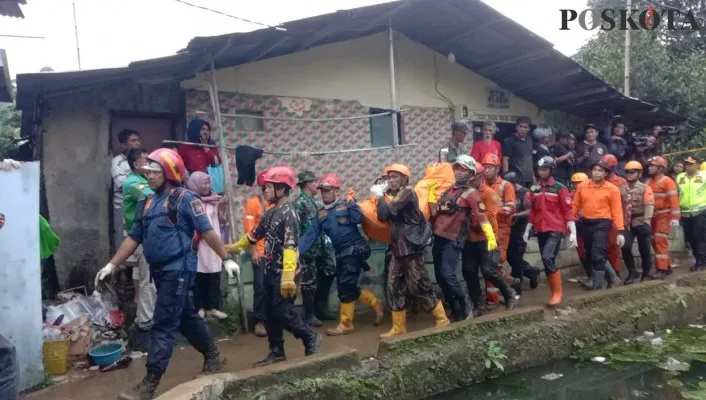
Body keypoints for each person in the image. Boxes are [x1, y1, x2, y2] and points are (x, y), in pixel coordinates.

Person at [95, 148, 237, 399]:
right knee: (184, 316)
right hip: (159, 272)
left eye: (154, 171)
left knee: (163, 322)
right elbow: (134, 237)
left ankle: (150, 382)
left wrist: (226, 259)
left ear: (170, 173)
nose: (148, 175)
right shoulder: (146, 202)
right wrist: (112, 264)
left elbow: (207, 231)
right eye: (147, 171)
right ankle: (213, 355)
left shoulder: (186, 199)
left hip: (179, 269)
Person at [226, 166, 322, 367]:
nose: (264, 191)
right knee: (269, 313)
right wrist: (231, 248)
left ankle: (310, 337)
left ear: (282, 189)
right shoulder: (271, 214)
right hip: (270, 269)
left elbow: (289, 246)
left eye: (268, 187)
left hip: (285, 272)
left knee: (283, 312)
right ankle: (276, 351)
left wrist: (288, 277)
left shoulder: (290, 214)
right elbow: (253, 236)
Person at [299, 174, 382, 335]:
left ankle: (346, 324)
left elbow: (358, 219)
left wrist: (352, 204)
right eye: (322, 190)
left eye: (327, 190)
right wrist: (295, 252)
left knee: (345, 285)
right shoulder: (321, 213)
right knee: (348, 286)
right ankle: (374, 302)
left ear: (336, 191)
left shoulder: (346, 205)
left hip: (354, 250)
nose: (324, 193)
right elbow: (310, 234)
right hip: (340, 254)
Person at [377, 164, 449, 338]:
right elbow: (381, 215)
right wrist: (382, 196)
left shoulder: (407, 192)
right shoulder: (394, 196)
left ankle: (441, 319)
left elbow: (388, 210)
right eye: (389, 177)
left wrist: (379, 194)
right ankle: (398, 326)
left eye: (395, 177)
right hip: (398, 249)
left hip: (411, 248)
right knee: (393, 286)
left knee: (418, 285)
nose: (391, 180)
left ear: (404, 179)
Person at [429, 154, 482, 321]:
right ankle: (455, 309)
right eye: (457, 168)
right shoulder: (448, 191)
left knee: (448, 274)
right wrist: (431, 197)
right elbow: (434, 212)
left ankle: (466, 306)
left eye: (463, 169)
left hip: (453, 239)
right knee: (440, 277)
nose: (459, 172)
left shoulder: (471, 193)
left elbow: (481, 216)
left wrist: (490, 236)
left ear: (471, 174)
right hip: (438, 236)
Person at [463, 162, 517, 315]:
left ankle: (509, 293)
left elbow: (491, 216)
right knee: (469, 271)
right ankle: (478, 305)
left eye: (472, 176)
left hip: (487, 237)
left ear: (479, 177)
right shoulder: (465, 192)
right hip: (469, 238)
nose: (469, 179)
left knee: (488, 269)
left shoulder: (488, 193)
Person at [523, 156, 576, 307]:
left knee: (547, 257)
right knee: (548, 262)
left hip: (556, 228)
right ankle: (554, 292)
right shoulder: (535, 188)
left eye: (544, 169)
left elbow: (568, 211)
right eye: (539, 169)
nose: (541, 172)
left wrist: (573, 232)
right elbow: (533, 210)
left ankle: (558, 293)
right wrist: (527, 229)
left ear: (551, 170)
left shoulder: (560, 188)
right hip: (540, 228)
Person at [572, 158, 625, 290]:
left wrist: (620, 231)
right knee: (589, 253)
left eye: (600, 170)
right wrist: (571, 225)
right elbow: (575, 206)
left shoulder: (612, 189)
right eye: (594, 170)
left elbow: (617, 211)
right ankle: (612, 278)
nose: (596, 173)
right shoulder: (582, 186)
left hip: (602, 223)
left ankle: (597, 286)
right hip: (586, 222)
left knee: (598, 253)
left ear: (606, 173)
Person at [122, 148, 157, 347]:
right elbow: (154, 195)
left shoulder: (140, 180)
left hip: (148, 236)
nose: (151, 166)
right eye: (147, 161)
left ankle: (145, 319)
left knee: (146, 277)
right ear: (137, 164)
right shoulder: (134, 183)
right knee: (147, 280)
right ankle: (145, 323)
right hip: (140, 237)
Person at [294, 171, 337, 328]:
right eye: (314, 182)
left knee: (328, 273)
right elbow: (296, 228)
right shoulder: (299, 204)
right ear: (308, 184)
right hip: (307, 250)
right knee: (308, 283)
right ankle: (309, 315)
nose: (316, 186)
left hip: (321, 248)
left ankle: (321, 309)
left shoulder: (315, 202)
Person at [187, 172, 229, 320]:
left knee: (214, 275)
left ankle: (211, 307)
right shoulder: (190, 201)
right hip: (197, 244)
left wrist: (222, 207)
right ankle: (200, 307)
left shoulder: (214, 200)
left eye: (208, 183)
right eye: (203, 183)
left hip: (213, 243)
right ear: (195, 184)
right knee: (199, 276)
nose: (207, 186)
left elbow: (222, 221)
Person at [243, 170, 273, 337]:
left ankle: (273, 320)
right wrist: (253, 251)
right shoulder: (253, 203)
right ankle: (259, 321)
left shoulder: (277, 205)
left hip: (275, 254)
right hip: (260, 253)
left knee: (274, 288)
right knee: (260, 287)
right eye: (268, 186)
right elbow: (248, 230)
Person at [482, 153, 515, 304]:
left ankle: (498, 295)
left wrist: (493, 210)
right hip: (484, 229)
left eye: (490, 167)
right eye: (485, 167)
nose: (486, 170)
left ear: (497, 169)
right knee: (489, 264)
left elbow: (510, 208)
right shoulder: (480, 185)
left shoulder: (506, 186)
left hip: (501, 228)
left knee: (496, 261)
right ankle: (499, 292)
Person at [503, 171, 540, 295]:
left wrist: (515, 215)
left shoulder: (524, 193)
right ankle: (531, 272)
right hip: (509, 229)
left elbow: (530, 211)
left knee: (517, 258)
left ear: (514, 183)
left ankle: (516, 288)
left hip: (522, 229)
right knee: (510, 257)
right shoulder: (506, 192)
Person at [646, 156, 680, 279]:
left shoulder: (667, 181)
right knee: (654, 241)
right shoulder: (649, 181)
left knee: (660, 241)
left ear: (660, 168)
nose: (649, 168)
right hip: (652, 216)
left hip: (664, 215)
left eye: (653, 166)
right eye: (650, 165)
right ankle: (667, 265)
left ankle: (662, 269)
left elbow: (674, 200)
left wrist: (675, 217)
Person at [621, 161, 655, 284]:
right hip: (627, 221)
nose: (629, 174)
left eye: (632, 172)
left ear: (639, 173)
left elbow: (649, 204)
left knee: (644, 248)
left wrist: (647, 221)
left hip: (641, 220)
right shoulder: (622, 188)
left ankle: (646, 272)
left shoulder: (645, 188)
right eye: (627, 172)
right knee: (625, 246)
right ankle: (632, 271)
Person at [601, 154, 631, 281]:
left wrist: (625, 221)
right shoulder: (597, 181)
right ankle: (605, 272)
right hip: (601, 218)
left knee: (614, 246)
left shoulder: (621, 182)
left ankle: (615, 271)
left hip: (615, 219)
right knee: (602, 246)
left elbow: (627, 203)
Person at [112, 129, 142, 252]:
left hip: (140, 206)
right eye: (133, 141)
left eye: (138, 140)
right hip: (123, 207)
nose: (138, 143)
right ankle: (124, 269)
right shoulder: (117, 161)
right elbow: (122, 184)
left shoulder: (142, 159)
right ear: (124, 145)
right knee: (125, 241)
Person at [676, 157, 706, 271]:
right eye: (686, 164)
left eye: (691, 164)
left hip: (701, 211)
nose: (688, 166)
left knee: (700, 236)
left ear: (698, 165)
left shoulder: (704, 176)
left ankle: (701, 261)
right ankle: (699, 259)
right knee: (691, 238)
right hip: (685, 213)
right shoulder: (680, 177)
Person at [569, 172, 591, 280]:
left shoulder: (591, 194)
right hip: (577, 226)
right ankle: (590, 275)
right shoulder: (570, 196)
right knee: (581, 251)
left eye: (579, 183)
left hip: (590, 225)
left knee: (594, 250)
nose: (577, 185)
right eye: (575, 183)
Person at [502, 117, 535, 188]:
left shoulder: (529, 140)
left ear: (529, 129)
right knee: (519, 198)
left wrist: (533, 177)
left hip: (529, 179)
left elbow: (529, 160)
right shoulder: (509, 141)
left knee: (532, 196)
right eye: (520, 126)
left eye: (525, 127)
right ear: (516, 127)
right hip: (517, 179)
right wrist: (507, 179)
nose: (522, 129)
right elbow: (505, 159)